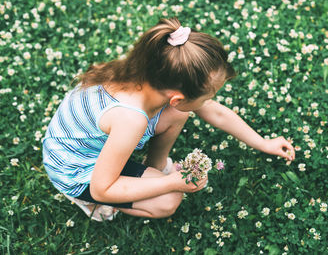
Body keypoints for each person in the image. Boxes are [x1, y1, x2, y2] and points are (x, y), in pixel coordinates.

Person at [42, 17, 295, 221]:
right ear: (176, 97)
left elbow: (213, 111)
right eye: (210, 94)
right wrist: (172, 182)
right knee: (168, 200)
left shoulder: (145, 75)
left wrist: (263, 142)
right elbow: (102, 188)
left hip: (87, 144)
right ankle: (86, 201)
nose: (210, 100)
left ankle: (155, 165)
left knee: (178, 116)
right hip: (77, 170)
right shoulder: (131, 120)